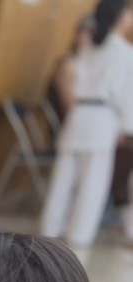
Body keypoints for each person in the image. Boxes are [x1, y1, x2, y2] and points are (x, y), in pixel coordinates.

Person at [40, 0, 133, 248]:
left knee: (63, 178)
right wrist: (126, 128)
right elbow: (126, 96)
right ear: (121, 16)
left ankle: (49, 229)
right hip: (103, 118)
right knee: (92, 184)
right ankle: (78, 236)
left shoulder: (89, 46)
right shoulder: (124, 52)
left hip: (78, 116)